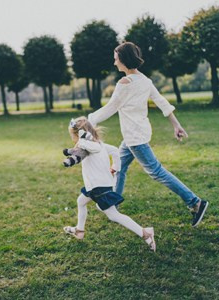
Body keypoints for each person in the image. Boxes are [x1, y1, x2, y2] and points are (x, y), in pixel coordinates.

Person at [88, 42, 208, 227]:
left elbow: (111, 107)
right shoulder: (144, 80)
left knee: (156, 172)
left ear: (123, 60)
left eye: (116, 59)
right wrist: (176, 125)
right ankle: (113, 203)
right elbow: (161, 101)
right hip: (135, 135)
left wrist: (89, 120)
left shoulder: (124, 83)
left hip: (135, 138)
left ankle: (195, 203)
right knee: (119, 167)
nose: (114, 63)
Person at [62, 117, 156, 251]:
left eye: (73, 136)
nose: (73, 139)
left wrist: (81, 142)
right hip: (95, 186)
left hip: (99, 186)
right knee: (81, 202)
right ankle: (79, 230)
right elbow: (115, 151)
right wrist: (115, 167)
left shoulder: (90, 145)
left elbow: (89, 145)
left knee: (113, 215)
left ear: (80, 134)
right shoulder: (100, 145)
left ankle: (145, 233)